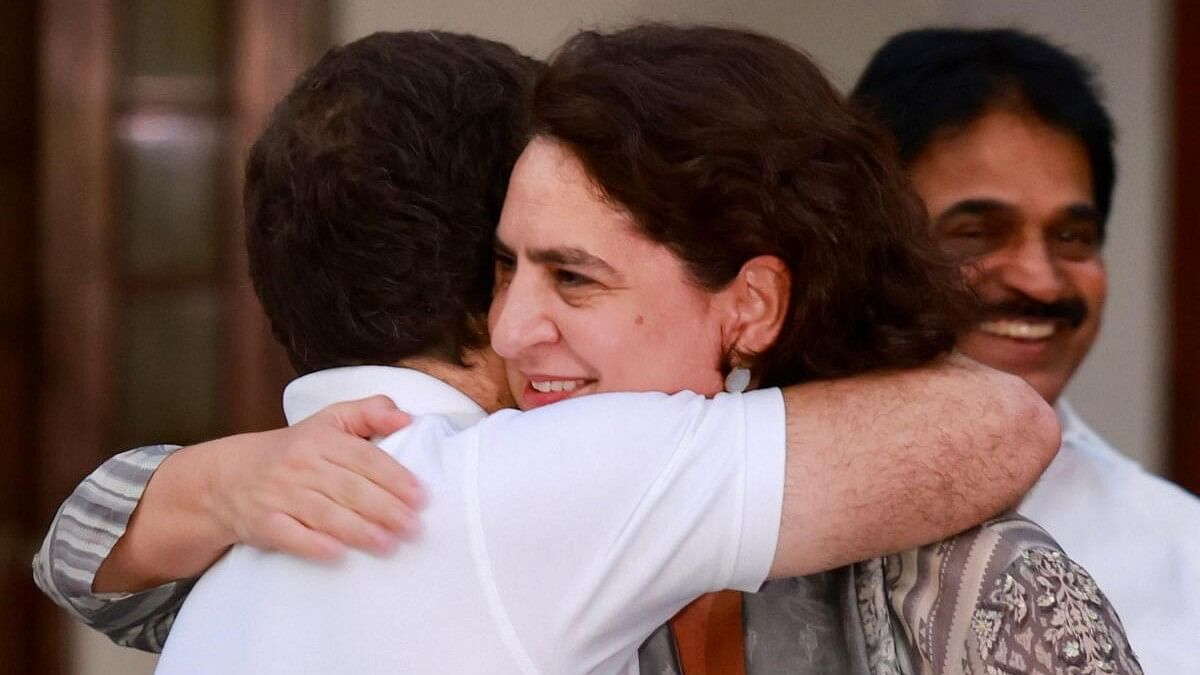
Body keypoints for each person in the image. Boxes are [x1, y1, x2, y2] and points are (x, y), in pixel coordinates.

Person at [34, 27, 1105, 674]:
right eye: (506, 267)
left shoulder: (975, 581)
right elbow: (80, 565)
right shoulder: (461, 491)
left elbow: (1007, 424)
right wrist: (207, 481)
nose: (514, 328)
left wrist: (200, 483)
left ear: (750, 302)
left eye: (572, 274)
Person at [852, 27, 1200, 674]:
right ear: (867, 244)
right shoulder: (744, 500)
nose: (1040, 280)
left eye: (1072, 235)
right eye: (977, 231)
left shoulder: (1183, 553)